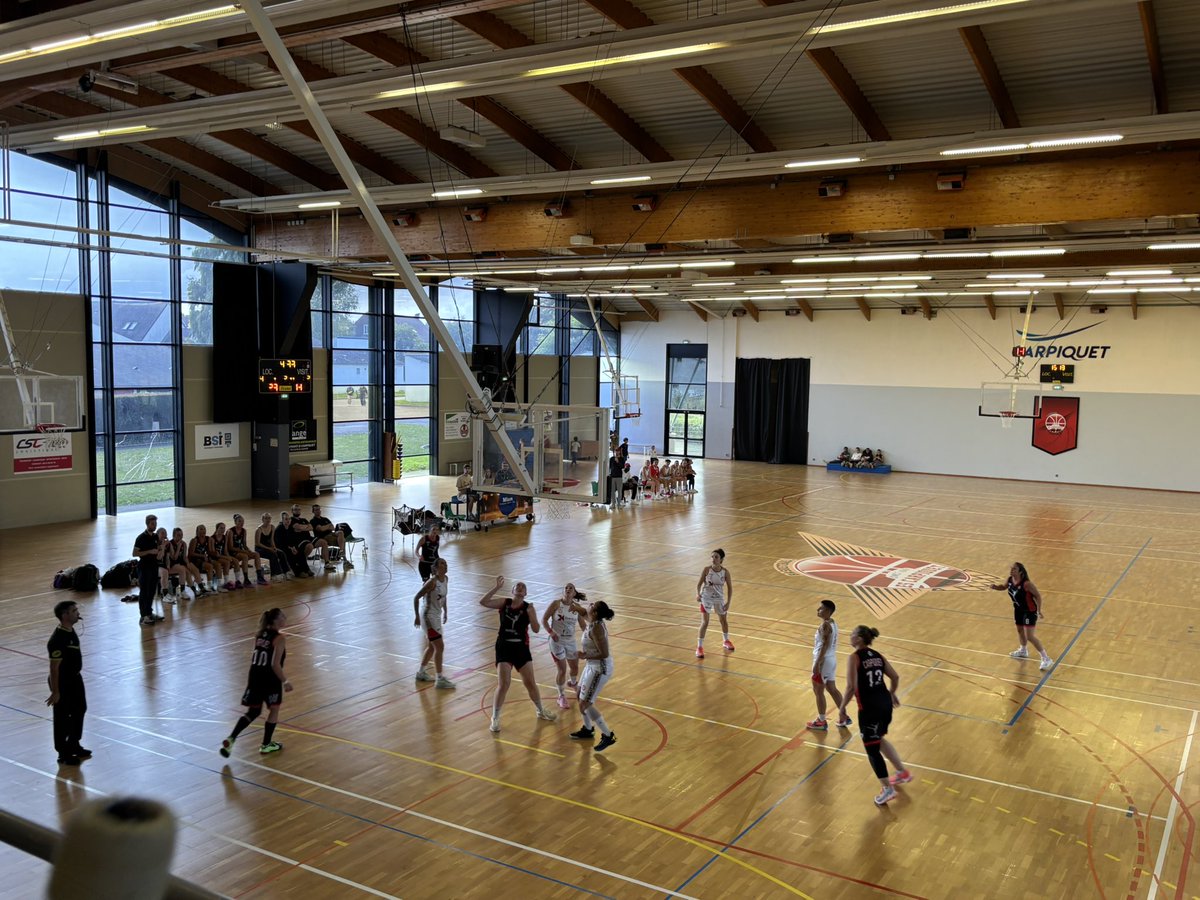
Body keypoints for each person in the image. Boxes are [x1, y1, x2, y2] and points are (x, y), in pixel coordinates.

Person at [837, 625, 911, 805]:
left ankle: (887, 789)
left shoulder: (854, 658)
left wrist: (842, 708)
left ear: (860, 639)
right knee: (879, 739)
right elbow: (895, 677)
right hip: (885, 704)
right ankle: (902, 773)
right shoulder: (877, 656)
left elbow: (850, 687)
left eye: (853, 634)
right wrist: (892, 693)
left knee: (872, 750)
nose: (850, 636)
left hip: (869, 709)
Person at [478, 575, 557, 733]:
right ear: (513, 590)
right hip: (504, 647)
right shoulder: (505, 603)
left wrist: (531, 613)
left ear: (525, 593)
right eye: (517, 586)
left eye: (523, 587)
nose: (520, 587)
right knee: (504, 684)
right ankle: (495, 717)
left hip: (521, 648)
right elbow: (484, 602)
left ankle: (540, 710)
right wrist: (496, 588)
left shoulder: (528, 607)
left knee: (530, 683)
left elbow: (535, 629)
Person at [219, 608, 293, 757]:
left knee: (253, 712)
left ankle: (231, 738)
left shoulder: (259, 635)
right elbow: (274, 664)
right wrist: (285, 680)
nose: (286, 618)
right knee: (274, 709)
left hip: (254, 677)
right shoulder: (279, 638)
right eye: (283, 616)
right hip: (269, 679)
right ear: (277, 620)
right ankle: (266, 745)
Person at [570, 599, 618, 752]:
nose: (589, 605)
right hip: (592, 665)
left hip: (600, 668)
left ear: (595, 613)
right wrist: (573, 605)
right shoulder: (592, 619)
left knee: (585, 703)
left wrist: (584, 655)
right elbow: (583, 612)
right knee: (579, 695)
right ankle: (588, 729)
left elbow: (604, 653)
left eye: (592, 605)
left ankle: (608, 735)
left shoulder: (597, 628)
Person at [46, 600, 89, 765]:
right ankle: (62, 753)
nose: (77, 613)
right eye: (73, 611)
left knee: (80, 709)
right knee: (62, 716)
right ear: (65, 615)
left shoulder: (70, 631)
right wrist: (56, 691)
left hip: (75, 677)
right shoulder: (58, 639)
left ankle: (74, 744)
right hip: (63, 681)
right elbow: (54, 668)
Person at [991, 562, 1054, 670]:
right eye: (1011, 568)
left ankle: (1046, 658)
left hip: (1029, 611)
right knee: (1020, 630)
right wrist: (996, 587)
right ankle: (1023, 650)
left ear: (1020, 571)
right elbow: (1003, 587)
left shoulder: (1027, 584)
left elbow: (1038, 596)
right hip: (1018, 610)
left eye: (1014, 569)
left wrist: (1039, 610)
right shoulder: (1010, 579)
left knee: (1030, 636)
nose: (1011, 570)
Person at [806, 600, 851, 730]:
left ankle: (821, 721)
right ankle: (844, 717)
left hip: (824, 661)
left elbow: (824, 646)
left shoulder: (825, 626)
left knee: (818, 691)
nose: (818, 610)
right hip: (831, 659)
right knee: (832, 689)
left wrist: (817, 663)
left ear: (827, 611)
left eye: (820, 608)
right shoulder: (833, 623)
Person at [413, 558, 455, 689]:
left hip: (436, 615)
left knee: (432, 647)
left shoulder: (446, 579)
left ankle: (421, 672)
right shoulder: (431, 582)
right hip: (428, 617)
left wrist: (445, 611)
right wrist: (416, 617)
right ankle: (439, 678)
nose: (445, 565)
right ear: (436, 568)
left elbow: (443, 597)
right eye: (442, 563)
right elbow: (416, 597)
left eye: (446, 563)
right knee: (439, 647)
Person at [543, 583, 585, 709]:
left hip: (570, 641)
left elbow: (583, 625)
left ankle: (573, 683)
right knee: (562, 670)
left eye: (570, 588)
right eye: (566, 588)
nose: (567, 589)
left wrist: (590, 635)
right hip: (557, 641)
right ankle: (561, 696)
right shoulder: (556, 604)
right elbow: (544, 620)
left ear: (574, 593)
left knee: (575, 668)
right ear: (563, 592)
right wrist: (551, 632)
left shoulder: (576, 607)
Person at [695, 548, 734, 659]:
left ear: (721, 559)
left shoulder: (725, 572)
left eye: (716, 557)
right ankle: (699, 648)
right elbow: (698, 584)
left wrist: (728, 602)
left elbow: (730, 588)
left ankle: (726, 641)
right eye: (712, 557)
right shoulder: (706, 570)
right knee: (705, 622)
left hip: (719, 598)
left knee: (723, 621)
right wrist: (698, 594)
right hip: (706, 598)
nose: (713, 559)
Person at [132, 514, 164, 626]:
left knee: (151, 591)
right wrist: (149, 551)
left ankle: (149, 613)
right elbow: (135, 553)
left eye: (155, 523)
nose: (154, 525)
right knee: (144, 591)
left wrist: (161, 548)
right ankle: (143, 616)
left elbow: (159, 551)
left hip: (153, 566)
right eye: (152, 523)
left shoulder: (155, 537)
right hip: (144, 567)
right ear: (147, 524)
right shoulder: (141, 538)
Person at [290, 503, 331, 572]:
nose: (297, 511)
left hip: (309, 537)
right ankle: (302, 562)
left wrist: (302, 528)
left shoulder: (304, 519)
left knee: (323, 542)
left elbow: (311, 528)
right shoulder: (291, 520)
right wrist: (305, 527)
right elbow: (297, 527)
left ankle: (327, 563)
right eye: (295, 510)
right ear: (292, 511)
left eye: (298, 509)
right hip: (300, 539)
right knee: (310, 546)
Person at [311, 503, 352, 570]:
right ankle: (345, 560)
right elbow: (321, 529)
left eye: (319, 509)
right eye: (316, 510)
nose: (318, 511)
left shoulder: (325, 519)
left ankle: (341, 551)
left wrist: (325, 527)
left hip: (332, 534)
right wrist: (327, 526)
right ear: (313, 511)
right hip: (324, 536)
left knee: (341, 532)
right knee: (343, 541)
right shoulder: (313, 521)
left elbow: (332, 527)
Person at [230, 513, 268, 585]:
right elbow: (230, 547)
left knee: (256, 554)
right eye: (239, 521)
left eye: (243, 521)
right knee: (245, 556)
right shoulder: (231, 531)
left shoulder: (244, 531)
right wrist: (244, 551)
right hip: (233, 552)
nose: (242, 523)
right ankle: (246, 579)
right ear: (235, 522)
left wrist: (249, 551)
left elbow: (244, 544)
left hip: (242, 551)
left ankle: (259, 577)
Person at [276, 512, 313, 578]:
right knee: (290, 554)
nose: (288, 521)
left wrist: (294, 547)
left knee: (300, 552)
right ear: (282, 520)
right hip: (280, 547)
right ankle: (298, 572)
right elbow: (280, 543)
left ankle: (306, 569)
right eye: (286, 519)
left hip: (289, 546)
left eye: (289, 519)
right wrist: (290, 548)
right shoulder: (279, 529)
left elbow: (293, 540)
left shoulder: (290, 529)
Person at [255, 513, 290, 580]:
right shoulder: (259, 530)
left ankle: (286, 571)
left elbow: (271, 540)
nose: (268, 520)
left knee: (281, 553)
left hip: (269, 547)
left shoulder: (272, 527)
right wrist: (269, 548)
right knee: (272, 554)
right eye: (266, 518)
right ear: (262, 519)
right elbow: (257, 543)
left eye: (269, 518)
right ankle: (275, 574)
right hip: (260, 549)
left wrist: (274, 547)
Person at [188, 523, 220, 593]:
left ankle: (211, 586)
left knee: (214, 564)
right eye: (201, 529)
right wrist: (202, 556)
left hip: (202, 559)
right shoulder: (194, 540)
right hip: (194, 560)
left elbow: (208, 551)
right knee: (210, 566)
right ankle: (209, 586)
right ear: (197, 532)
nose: (203, 530)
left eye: (204, 529)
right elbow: (191, 553)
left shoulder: (207, 539)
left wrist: (214, 554)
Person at [211, 522, 243, 590]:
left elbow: (225, 550)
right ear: (217, 529)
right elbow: (215, 554)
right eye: (221, 528)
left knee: (236, 561)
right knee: (226, 562)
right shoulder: (212, 538)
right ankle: (225, 583)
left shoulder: (225, 537)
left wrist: (229, 557)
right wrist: (227, 558)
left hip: (222, 556)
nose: (223, 530)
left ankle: (237, 581)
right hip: (215, 558)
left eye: (224, 528)